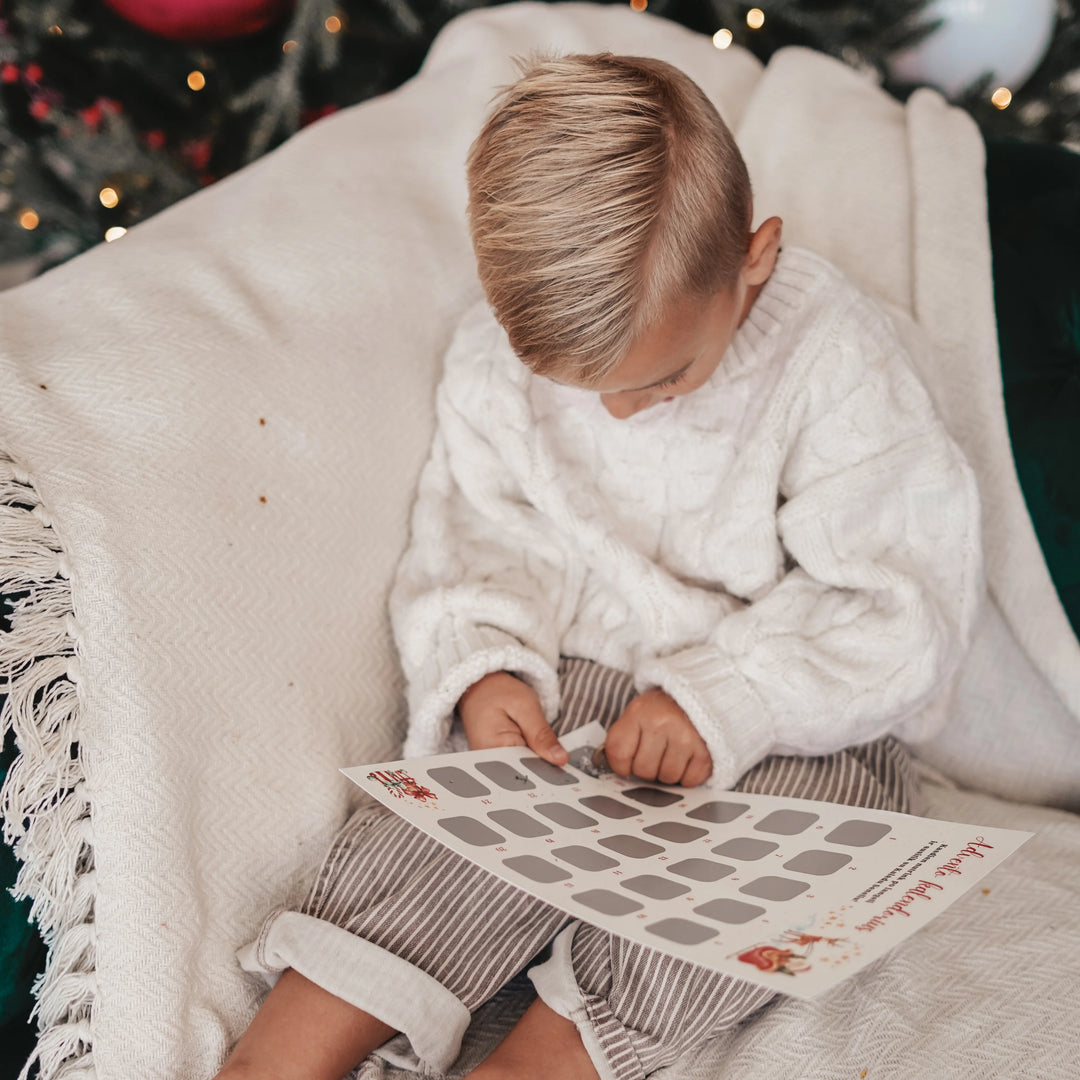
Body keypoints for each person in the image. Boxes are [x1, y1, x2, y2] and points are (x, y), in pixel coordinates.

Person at [215, 53, 981, 1080]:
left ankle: (551, 1053)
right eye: (585, 388)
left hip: (789, 706)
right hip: (579, 674)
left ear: (753, 260)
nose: (620, 411)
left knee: (813, 844)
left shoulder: (837, 364)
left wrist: (721, 698)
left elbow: (902, 600)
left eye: (664, 376)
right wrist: (488, 667)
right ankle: (294, 1043)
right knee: (446, 834)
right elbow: (482, 526)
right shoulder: (498, 356)